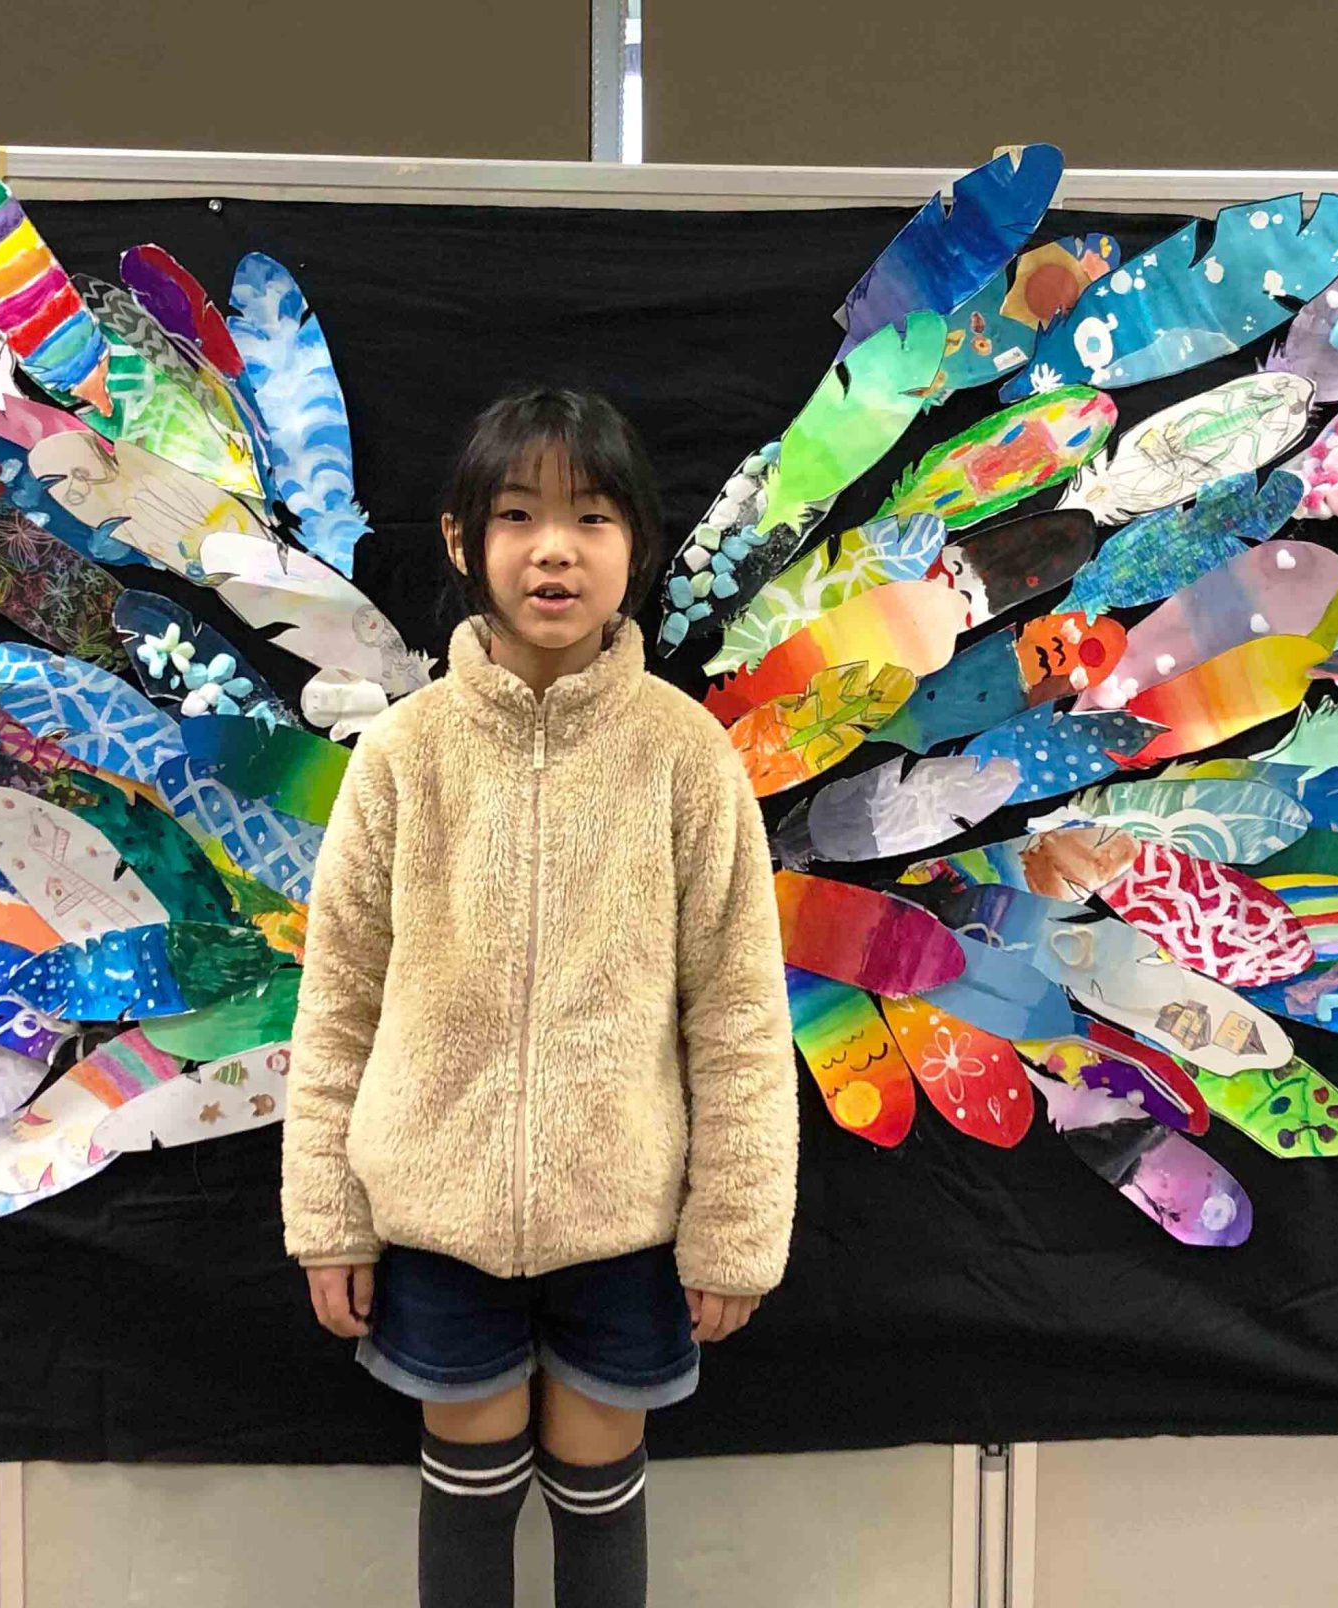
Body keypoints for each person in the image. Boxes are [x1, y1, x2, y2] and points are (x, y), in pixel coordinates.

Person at [281, 386, 800, 1608]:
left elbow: (737, 1011)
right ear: (462, 541)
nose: (552, 549)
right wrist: (329, 1215)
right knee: (465, 1486)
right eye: (516, 515)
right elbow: (339, 996)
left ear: (638, 546)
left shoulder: (684, 755)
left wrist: (735, 1228)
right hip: (435, 1210)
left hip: (625, 1213)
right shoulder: (403, 752)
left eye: (591, 517)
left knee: (599, 1479)